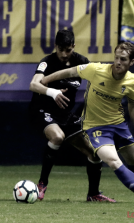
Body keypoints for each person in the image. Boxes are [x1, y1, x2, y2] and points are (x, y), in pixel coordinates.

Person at [40, 41, 134, 205]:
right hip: (96, 128)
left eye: (123, 59)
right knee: (113, 161)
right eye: (116, 58)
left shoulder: (131, 80)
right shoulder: (95, 70)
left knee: (133, 159)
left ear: (131, 62)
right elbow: (68, 72)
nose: (118, 62)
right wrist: (44, 80)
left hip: (119, 125)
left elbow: (133, 105)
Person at [29, 30, 115, 202]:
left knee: (94, 152)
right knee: (57, 137)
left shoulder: (81, 62)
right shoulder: (47, 62)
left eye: (67, 50)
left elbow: (98, 80)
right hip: (43, 110)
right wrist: (52, 92)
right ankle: (42, 184)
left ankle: (93, 194)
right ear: (55, 46)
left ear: (73, 47)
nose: (63, 53)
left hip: (65, 115)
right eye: (60, 49)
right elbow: (33, 84)